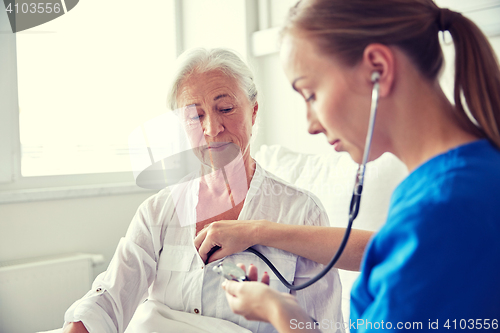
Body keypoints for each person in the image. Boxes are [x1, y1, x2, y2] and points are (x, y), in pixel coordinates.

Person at [214, 0, 500, 332]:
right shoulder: (471, 176)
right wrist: (257, 233)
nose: (311, 124)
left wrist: (278, 311)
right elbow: (387, 248)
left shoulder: (440, 213)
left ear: (377, 68)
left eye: (310, 94)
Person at [62, 47, 371, 333]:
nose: (212, 128)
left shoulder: (300, 212)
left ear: (253, 111)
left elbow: (323, 327)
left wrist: (276, 308)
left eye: (225, 108)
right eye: (195, 116)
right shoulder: (158, 212)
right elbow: (107, 301)